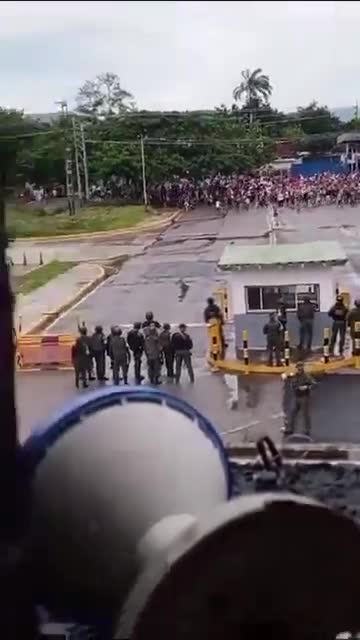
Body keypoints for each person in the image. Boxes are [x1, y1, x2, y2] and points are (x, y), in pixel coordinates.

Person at [285, 362, 316, 437]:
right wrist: (296, 388)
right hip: (297, 396)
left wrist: (307, 387)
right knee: (292, 413)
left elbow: (314, 384)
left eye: (300, 367)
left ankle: (307, 430)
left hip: (304, 397)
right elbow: (292, 385)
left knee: (305, 414)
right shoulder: (295, 376)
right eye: (298, 367)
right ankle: (290, 429)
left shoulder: (306, 376)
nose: (299, 369)